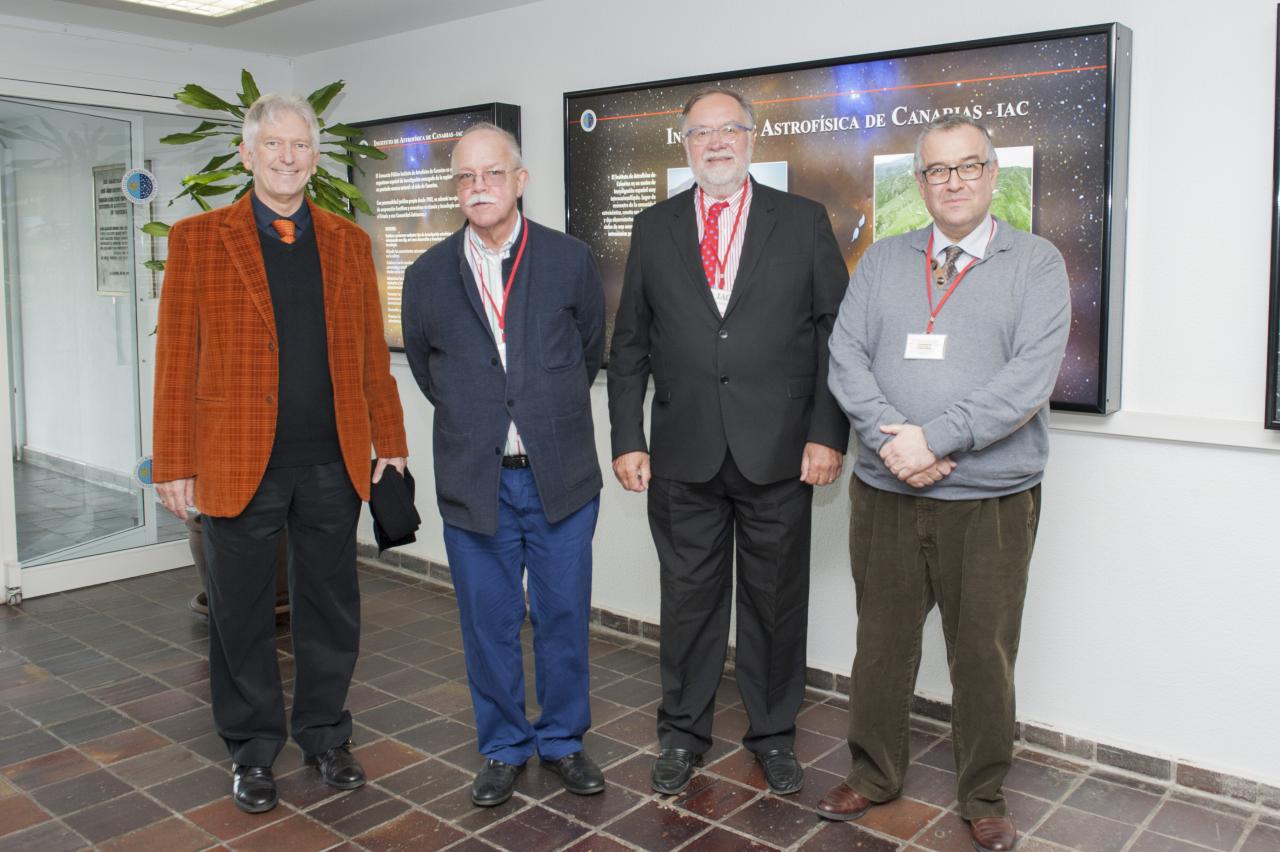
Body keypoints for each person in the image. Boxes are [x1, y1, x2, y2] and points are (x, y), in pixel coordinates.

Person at [819, 114, 1071, 852]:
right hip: (887, 493)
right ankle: (872, 775)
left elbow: (1028, 378)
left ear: (993, 176)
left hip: (991, 500)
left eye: (968, 167)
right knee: (881, 645)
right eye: (936, 170)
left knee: (983, 655)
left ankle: (983, 793)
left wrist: (935, 438)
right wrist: (900, 443)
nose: (952, 181)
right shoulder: (882, 260)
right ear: (919, 182)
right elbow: (846, 360)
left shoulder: (1037, 263)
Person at [152, 93, 407, 814]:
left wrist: (389, 441)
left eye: (300, 145)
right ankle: (252, 750)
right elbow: (176, 357)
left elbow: (367, 357)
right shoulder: (200, 238)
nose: (288, 157)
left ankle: (326, 735)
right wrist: (173, 460)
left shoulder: (348, 243)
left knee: (333, 608)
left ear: (315, 156)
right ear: (247, 154)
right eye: (274, 145)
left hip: (332, 460)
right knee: (240, 613)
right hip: (236, 459)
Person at [608, 87, 850, 797]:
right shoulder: (653, 229)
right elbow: (630, 346)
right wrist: (627, 435)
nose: (716, 143)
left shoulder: (803, 222)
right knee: (688, 603)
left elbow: (836, 336)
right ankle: (682, 735)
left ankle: (773, 735)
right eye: (701, 134)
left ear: (751, 137)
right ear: (684, 145)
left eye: (729, 131)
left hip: (780, 453)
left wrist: (827, 433)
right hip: (682, 454)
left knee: (776, 603)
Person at [401, 122, 606, 808]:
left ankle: (564, 741)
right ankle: (502, 746)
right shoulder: (427, 275)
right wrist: (482, 417)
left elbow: (589, 351)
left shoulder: (570, 260)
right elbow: (435, 372)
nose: (478, 188)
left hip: (561, 480)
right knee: (486, 623)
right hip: (475, 481)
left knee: (562, 617)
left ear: (520, 181)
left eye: (492, 174)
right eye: (465, 177)